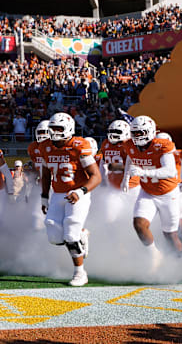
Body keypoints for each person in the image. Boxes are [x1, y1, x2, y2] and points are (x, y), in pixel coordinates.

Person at [39, 112, 101, 287]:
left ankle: (80, 272)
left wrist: (80, 192)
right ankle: (81, 234)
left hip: (77, 193)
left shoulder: (79, 145)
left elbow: (96, 177)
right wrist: (44, 196)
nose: (54, 132)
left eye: (59, 128)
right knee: (54, 236)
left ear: (68, 129)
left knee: (70, 233)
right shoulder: (45, 146)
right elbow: (45, 175)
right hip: (58, 194)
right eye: (52, 128)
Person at [121, 116, 181, 270]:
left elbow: (170, 171)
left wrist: (142, 171)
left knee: (170, 235)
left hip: (168, 193)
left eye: (140, 132)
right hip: (147, 191)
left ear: (150, 132)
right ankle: (154, 254)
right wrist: (126, 177)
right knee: (139, 224)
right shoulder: (130, 145)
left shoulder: (161, 146)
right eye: (134, 133)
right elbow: (130, 156)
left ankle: (180, 263)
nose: (137, 136)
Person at [98, 120, 139, 192]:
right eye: (111, 131)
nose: (113, 134)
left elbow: (135, 166)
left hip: (131, 185)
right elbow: (103, 161)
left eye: (117, 131)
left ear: (126, 132)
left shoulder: (130, 144)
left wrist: (118, 167)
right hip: (112, 184)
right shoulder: (106, 143)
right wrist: (103, 178)